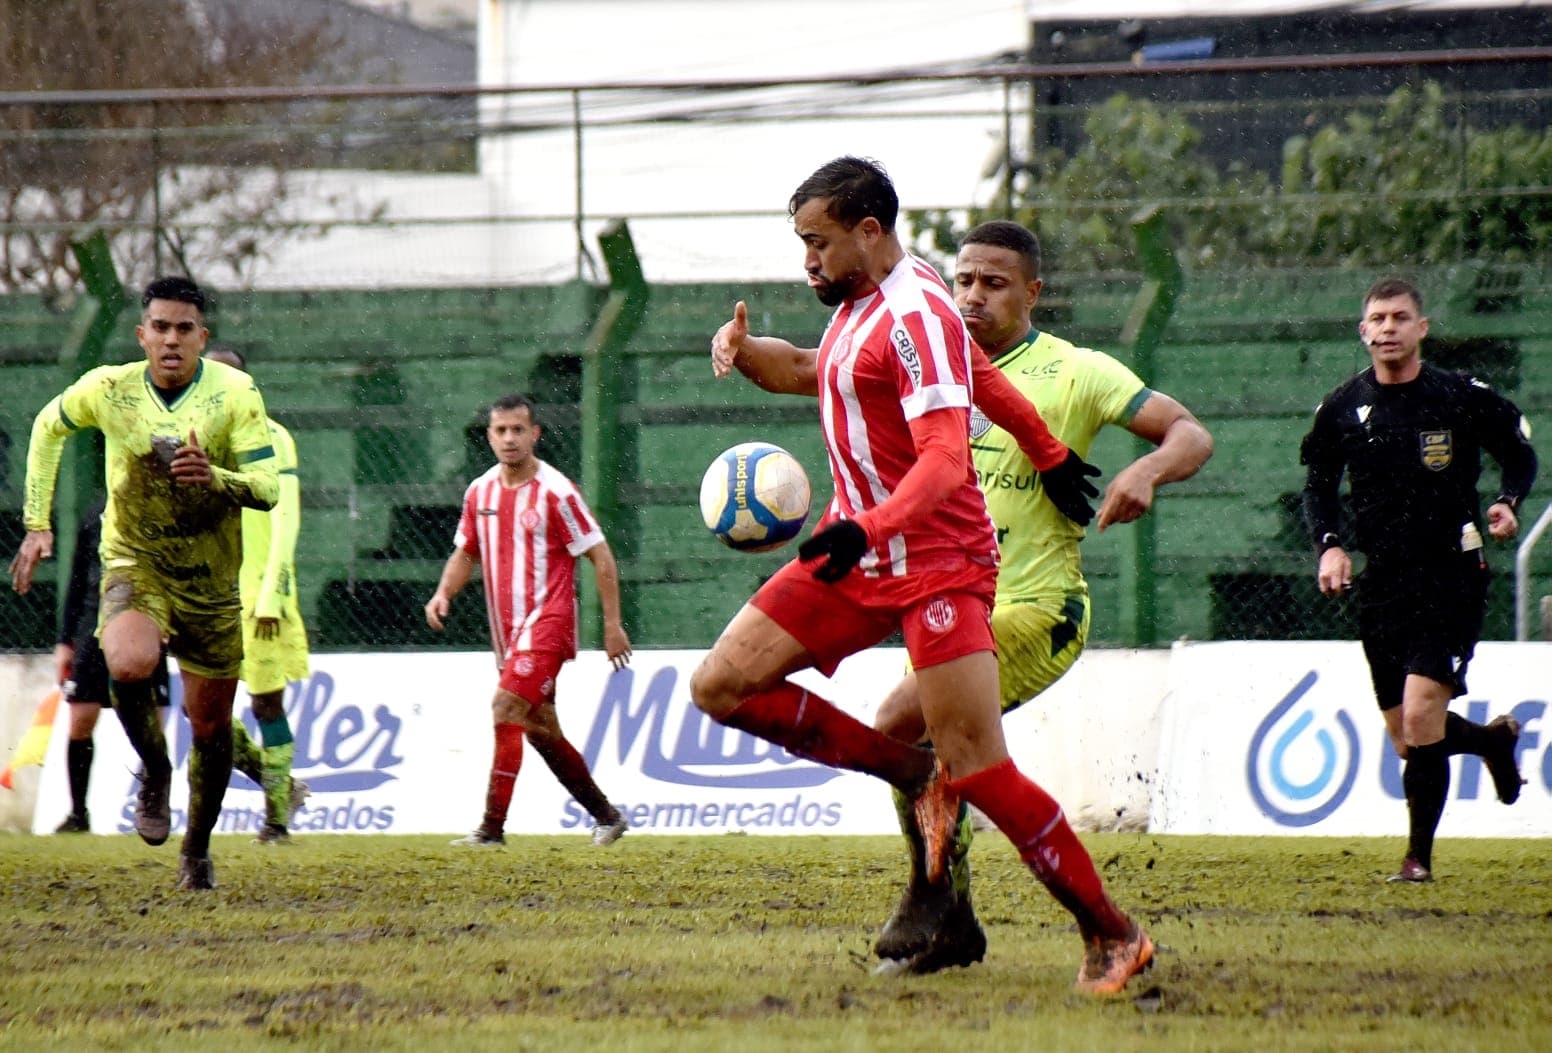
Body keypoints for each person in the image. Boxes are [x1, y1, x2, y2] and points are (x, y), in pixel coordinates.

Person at [694, 156, 1154, 995]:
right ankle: (909, 772)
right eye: (801, 243)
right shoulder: (872, 300)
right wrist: (743, 347)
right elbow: (828, 373)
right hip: (861, 548)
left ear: (869, 231)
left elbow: (945, 463)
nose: (807, 262)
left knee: (979, 765)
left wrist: (870, 523)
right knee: (720, 684)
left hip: (938, 561)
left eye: (818, 243)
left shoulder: (913, 315)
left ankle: (1113, 934)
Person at [869, 220, 1215, 973]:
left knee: (901, 723)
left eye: (993, 283)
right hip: (948, 599)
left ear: (1032, 292)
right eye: (963, 279)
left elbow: (1191, 432)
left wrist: (1146, 471)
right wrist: (746, 353)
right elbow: (811, 367)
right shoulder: (924, 363)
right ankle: (954, 916)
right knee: (934, 748)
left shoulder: (1074, 371)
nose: (972, 296)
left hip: (1041, 607)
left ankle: (939, 899)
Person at [9, 275, 279, 890]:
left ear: (202, 338)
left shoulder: (235, 393)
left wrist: (216, 477)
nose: (172, 339)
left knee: (211, 730)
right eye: (160, 327)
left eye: (185, 329)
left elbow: (266, 489)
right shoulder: (110, 388)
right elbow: (48, 426)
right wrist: (36, 523)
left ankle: (197, 850)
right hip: (136, 562)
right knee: (126, 662)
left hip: (211, 579)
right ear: (142, 334)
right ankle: (155, 769)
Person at [1301, 276, 1536, 884]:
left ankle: (1417, 860)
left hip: (1453, 573)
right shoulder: (1342, 407)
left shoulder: (1458, 396)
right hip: (1385, 582)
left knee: (1423, 712)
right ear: (1363, 331)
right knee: (1408, 738)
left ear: (1421, 329)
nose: (1387, 329)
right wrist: (1329, 546)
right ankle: (1489, 742)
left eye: (1399, 318)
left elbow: (1518, 450)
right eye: (1376, 319)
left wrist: (1509, 501)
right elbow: (1319, 485)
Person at [425, 394, 634, 848]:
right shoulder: (479, 492)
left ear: (535, 434)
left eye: (518, 430)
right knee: (540, 728)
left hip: (549, 622)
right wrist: (444, 592)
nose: (509, 439)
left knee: (505, 709)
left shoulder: (557, 492)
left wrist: (613, 624)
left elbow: (599, 553)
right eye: (500, 430)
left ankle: (490, 830)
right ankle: (606, 815)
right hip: (508, 633)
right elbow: (466, 551)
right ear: (489, 437)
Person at [205, 346, 312, 844]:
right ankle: (280, 785)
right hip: (206, 595)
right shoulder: (195, 441)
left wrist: (272, 593)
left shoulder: (273, 438)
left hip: (257, 598)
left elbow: (285, 518)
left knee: (267, 706)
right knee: (201, 711)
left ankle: (275, 820)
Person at [51, 495, 172, 833]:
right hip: (94, 623)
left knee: (152, 723)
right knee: (80, 720)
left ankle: (153, 806)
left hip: (145, 620)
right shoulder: (96, 513)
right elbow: (77, 578)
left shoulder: (160, 508)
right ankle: (78, 814)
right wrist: (64, 641)